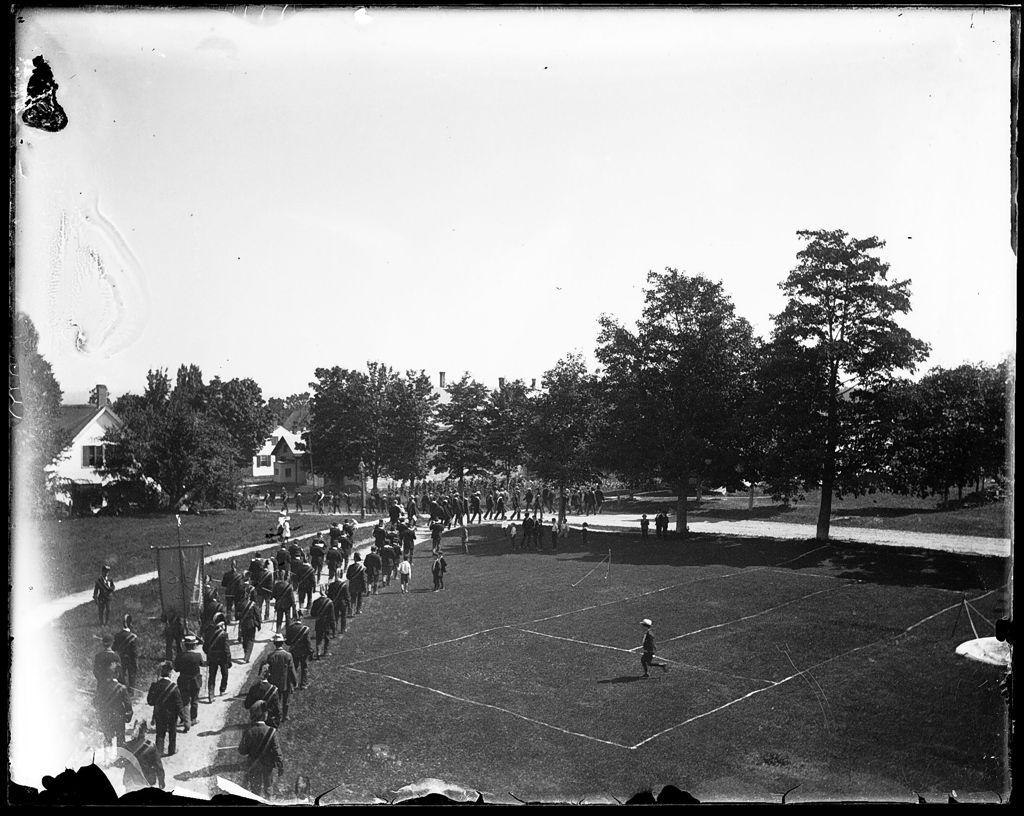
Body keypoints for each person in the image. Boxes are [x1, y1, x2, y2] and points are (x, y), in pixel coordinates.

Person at [238, 700, 284, 799]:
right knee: (268, 787)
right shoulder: (272, 731)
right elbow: (277, 751)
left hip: (254, 765)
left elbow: (242, 751)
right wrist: (280, 766)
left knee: (255, 791)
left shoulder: (248, 731)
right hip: (268, 765)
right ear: (265, 715)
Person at [147, 660, 189, 756]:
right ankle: (171, 750)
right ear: (170, 673)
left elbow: (150, 702)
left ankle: (159, 752)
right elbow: (179, 704)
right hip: (172, 714)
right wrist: (183, 717)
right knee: (172, 732)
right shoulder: (174, 687)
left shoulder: (155, 686)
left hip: (159, 713)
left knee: (160, 733)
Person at [94, 662, 133, 749]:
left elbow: (96, 701)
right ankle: (120, 759)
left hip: (106, 716)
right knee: (121, 739)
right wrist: (128, 716)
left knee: (107, 738)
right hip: (119, 717)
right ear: (118, 674)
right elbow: (128, 704)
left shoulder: (102, 687)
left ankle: (107, 759)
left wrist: (100, 713)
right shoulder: (122, 688)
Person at [261, 634, 298, 722]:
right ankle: (285, 716)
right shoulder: (288, 655)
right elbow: (291, 670)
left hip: (273, 682)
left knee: (276, 700)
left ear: (274, 643)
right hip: (286, 681)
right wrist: (295, 682)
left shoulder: (271, 656)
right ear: (282, 643)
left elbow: (267, 670)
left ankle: (276, 716)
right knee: (286, 700)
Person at [123, 720, 166, 790]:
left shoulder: (127, 745)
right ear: (145, 731)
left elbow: (123, 763)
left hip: (131, 781)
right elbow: (158, 765)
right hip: (146, 781)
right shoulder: (150, 745)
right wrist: (161, 781)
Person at [174, 634, 204, 725]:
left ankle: (185, 719)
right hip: (195, 681)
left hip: (183, 680)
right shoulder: (198, 656)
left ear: (185, 645)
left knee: (184, 701)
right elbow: (202, 664)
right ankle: (193, 719)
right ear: (194, 645)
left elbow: (176, 669)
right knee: (194, 700)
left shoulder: (179, 656)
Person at [203, 615, 231, 701]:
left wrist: (209, 654)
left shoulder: (208, 634)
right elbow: (226, 649)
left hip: (212, 658)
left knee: (212, 676)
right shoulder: (224, 635)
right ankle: (222, 690)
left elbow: (205, 647)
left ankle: (211, 694)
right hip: (222, 658)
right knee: (225, 674)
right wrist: (229, 660)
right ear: (222, 625)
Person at [284, 616, 313, 690]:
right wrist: (310, 651)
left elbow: (287, 642)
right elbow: (308, 642)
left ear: (294, 619)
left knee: (294, 668)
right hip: (303, 652)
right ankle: (303, 684)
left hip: (294, 651)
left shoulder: (290, 628)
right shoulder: (305, 629)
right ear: (301, 619)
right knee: (304, 668)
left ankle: (293, 684)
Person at [112, 613, 140, 691]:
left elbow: (113, 648)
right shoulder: (133, 637)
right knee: (132, 675)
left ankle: (121, 691)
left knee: (121, 675)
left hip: (120, 658)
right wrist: (135, 663)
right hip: (130, 659)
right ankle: (131, 692)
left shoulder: (117, 635)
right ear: (130, 624)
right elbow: (134, 652)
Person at [236, 587, 262, 663]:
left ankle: (245, 654)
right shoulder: (253, 604)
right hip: (251, 624)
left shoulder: (239, 604)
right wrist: (259, 624)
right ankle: (246, 657)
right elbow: (257, 615)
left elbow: (237, 616)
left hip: (243, 624)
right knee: (250, 640)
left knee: (245, 640)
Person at [309, 588, 335, 659]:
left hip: (318, 622)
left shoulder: (316, 601)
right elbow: (332, 616)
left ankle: (318, 652)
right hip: (327, 623)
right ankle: (325, 652)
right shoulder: (330, 602)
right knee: (327, 638)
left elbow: (312, 614)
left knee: (319, 638)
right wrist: (333, 627)